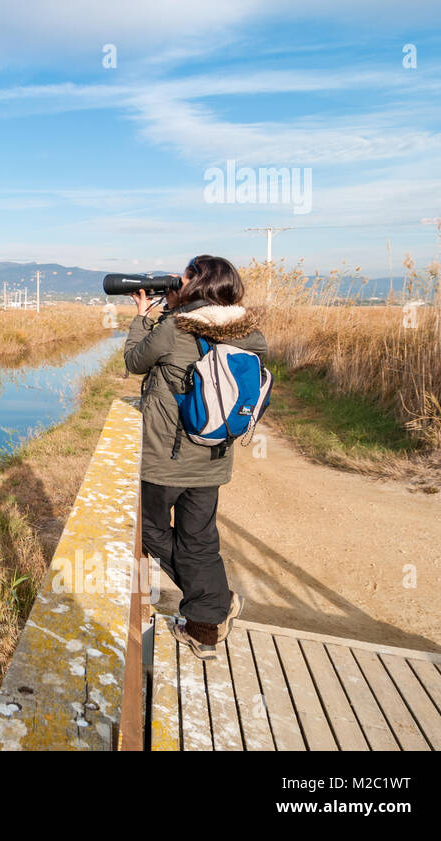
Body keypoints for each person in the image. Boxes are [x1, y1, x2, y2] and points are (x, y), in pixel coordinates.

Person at [124, 255, 267, 661]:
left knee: (150, 531)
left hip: (166, 460)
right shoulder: (250, 333)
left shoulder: (172, 328)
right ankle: (205, 626)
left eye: (183, 277)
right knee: (199, 540)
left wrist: (144, 315)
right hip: (214, 455)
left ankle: (214, 601)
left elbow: (135, 361)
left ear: (195, 284)